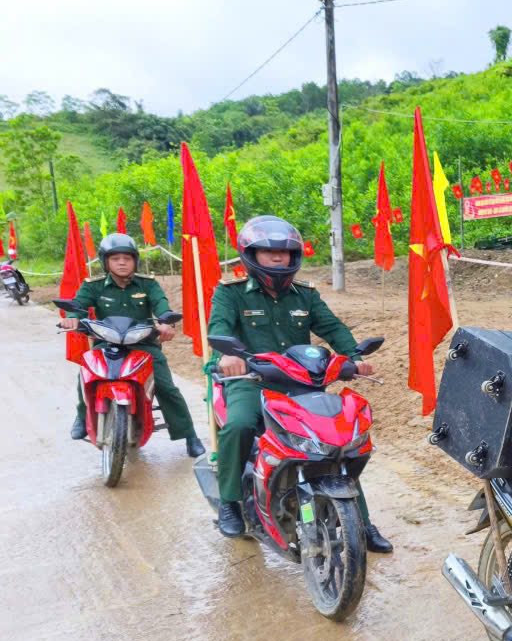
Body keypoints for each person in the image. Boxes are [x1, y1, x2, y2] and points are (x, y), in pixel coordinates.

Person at [206, 215, 393, 552]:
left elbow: (332, 327)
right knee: (240, 424)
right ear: (251, 254)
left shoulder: (305, 295)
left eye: (285, 252)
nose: (279, 257)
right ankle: (230, 502)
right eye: (269, 252)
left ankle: (362, 523)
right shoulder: (230, 293)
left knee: (335, 441)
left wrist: (354, 357)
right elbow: (219, 327)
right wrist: (227, 356)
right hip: (252, 381)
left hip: (301, 384)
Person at [59, 233, 204, 458]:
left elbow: (161, 305)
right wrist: (72, 317)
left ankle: (189, 435)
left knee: (166, 387)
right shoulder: (94, 286)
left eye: (127, 258)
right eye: (115, 258)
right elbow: (78, 305)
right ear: (105, 261)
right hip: (106, 342)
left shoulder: (148, 284)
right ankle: (82, 415)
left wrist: (165, 322)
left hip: (143, 344)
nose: (122, 263)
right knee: (86, 374)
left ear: (135, 260)